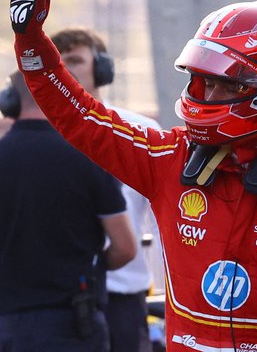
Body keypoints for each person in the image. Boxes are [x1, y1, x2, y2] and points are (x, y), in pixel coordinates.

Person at [5, 0, 257, 351]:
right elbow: (80, 117)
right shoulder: (167, 159)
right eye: (201, 82)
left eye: (226, 85)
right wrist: (31, 40)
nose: (209, 97)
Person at [0, 70, 137, 352]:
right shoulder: (89, 157)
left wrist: (13, 263)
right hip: (75, 327)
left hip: (8, 328)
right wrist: (85, 266)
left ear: (9, 102)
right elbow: (125, 248)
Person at [51, 27, 163, 352]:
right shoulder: (39, 135)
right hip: (58, 297)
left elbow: (161, 218)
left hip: (123, 297)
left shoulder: (141, 131)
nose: (65, 69)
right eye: (57, 62)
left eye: (74, 60)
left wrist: (170, 293)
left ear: (103, 68)